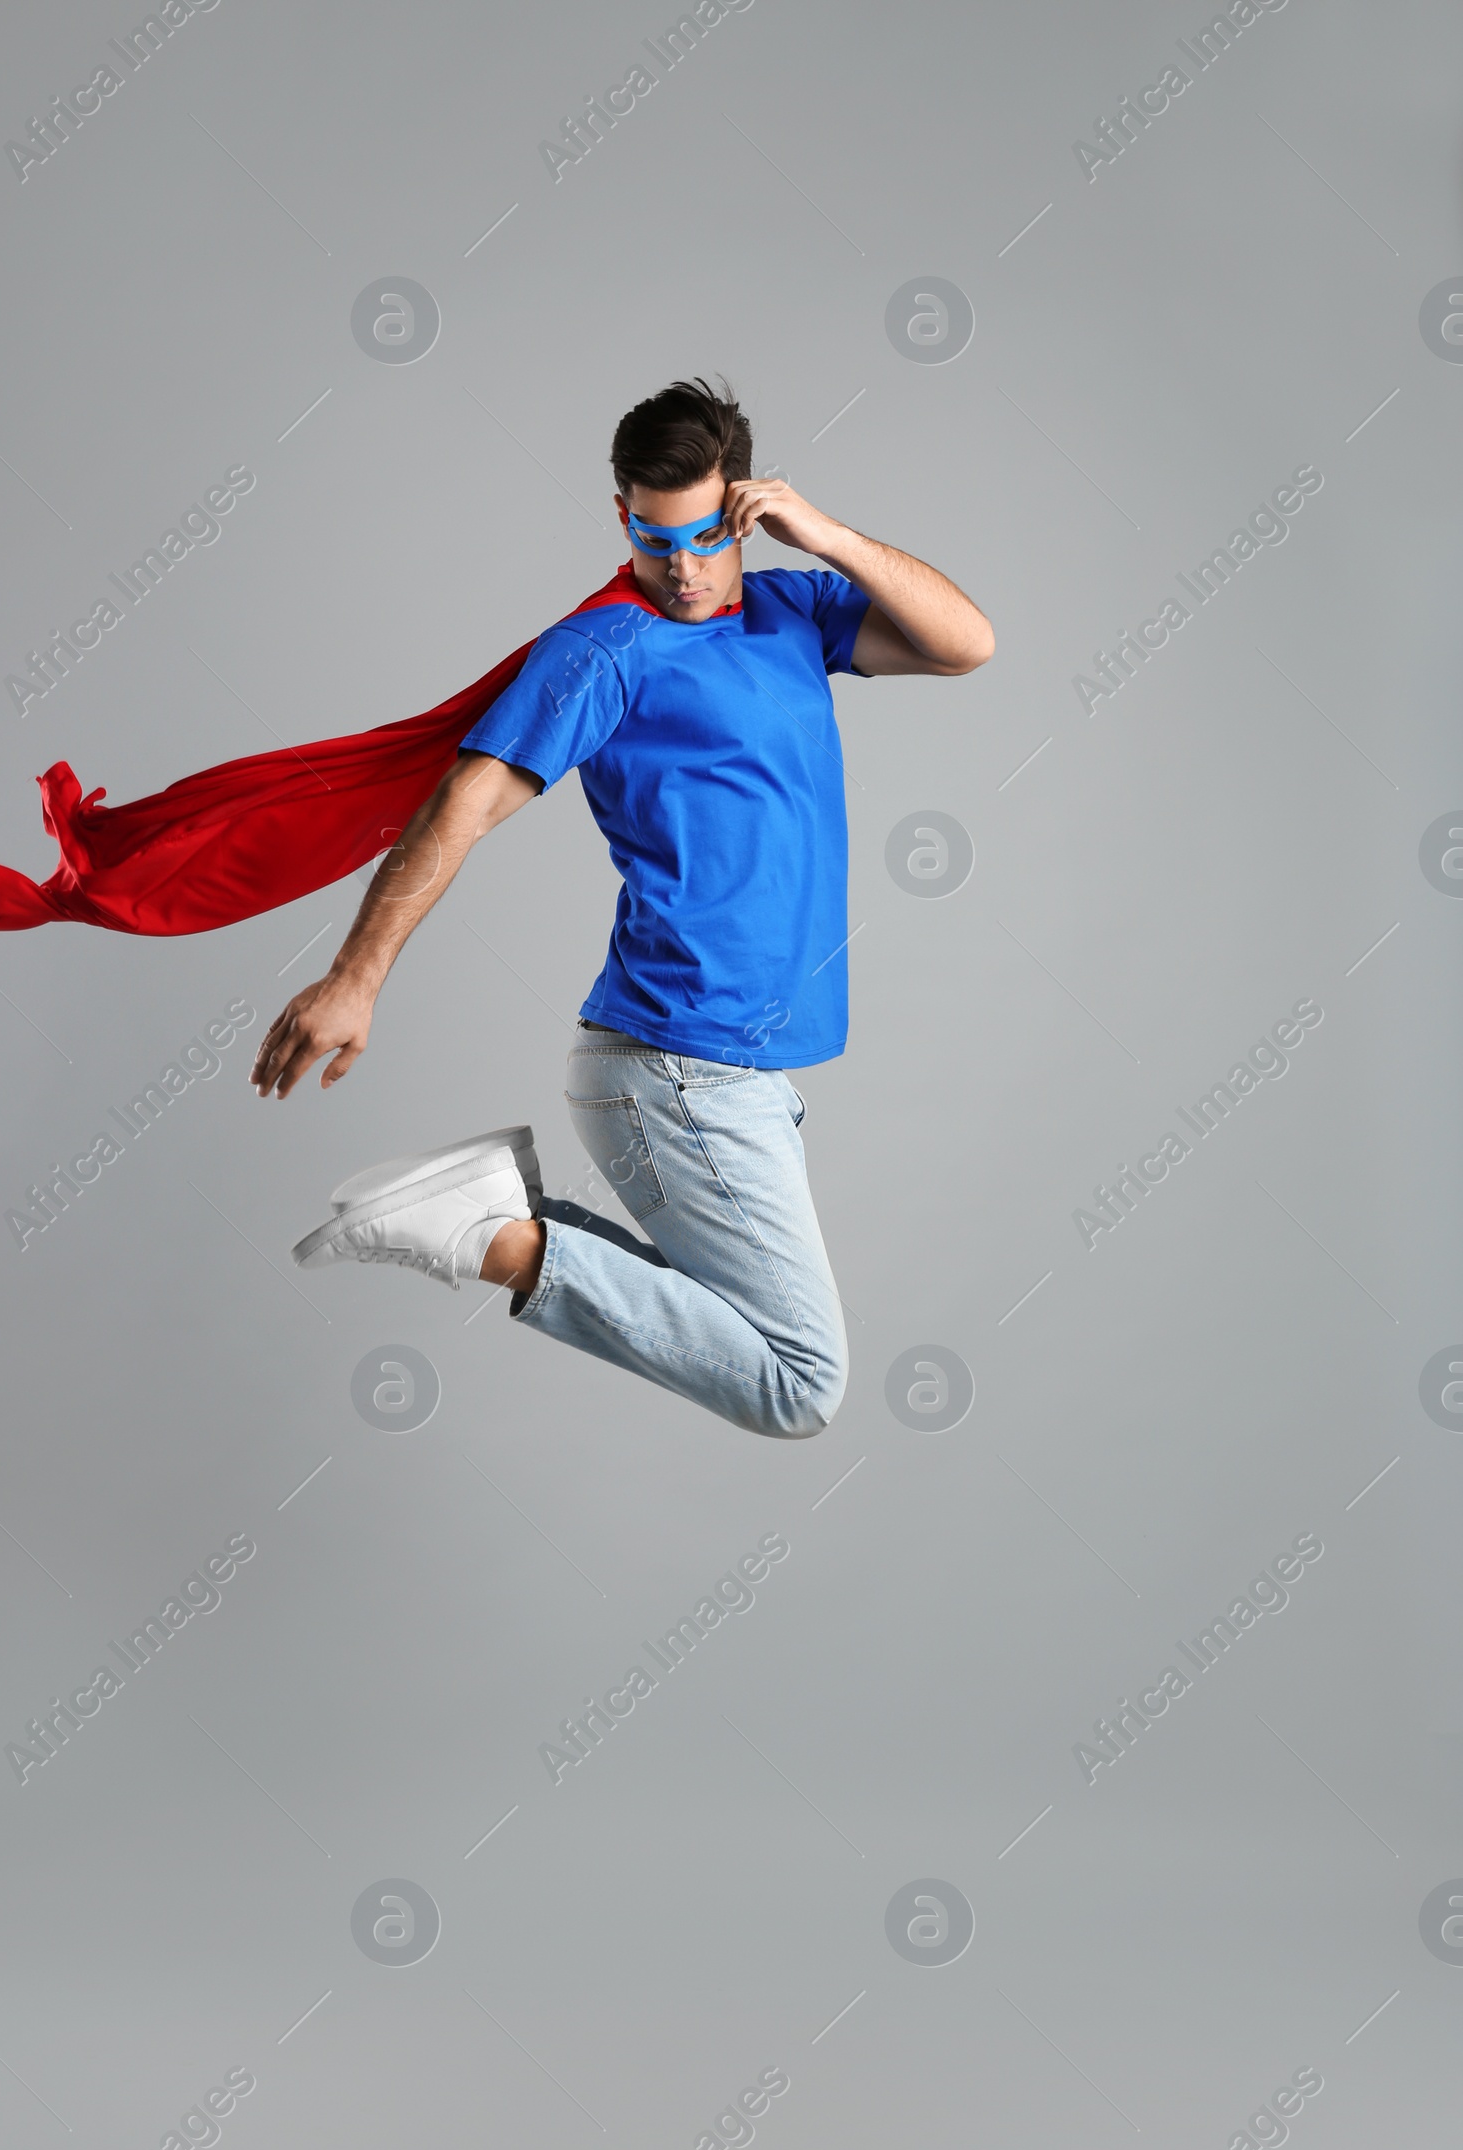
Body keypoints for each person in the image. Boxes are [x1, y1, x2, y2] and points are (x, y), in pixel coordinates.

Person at [253, 378, 994, 1438]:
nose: (682, 568)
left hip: (736, 1068)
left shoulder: (792, 611)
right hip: (677, 1064)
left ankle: (500, 1214)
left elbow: (966, 641)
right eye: (655, 539)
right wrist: (357, 976)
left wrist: (823, 533)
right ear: (621, 518)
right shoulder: (605, 650)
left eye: (703, 535)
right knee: (798, 1381)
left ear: (744, 504)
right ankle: (490, 1236)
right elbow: (461, 806)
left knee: (740, 1332)